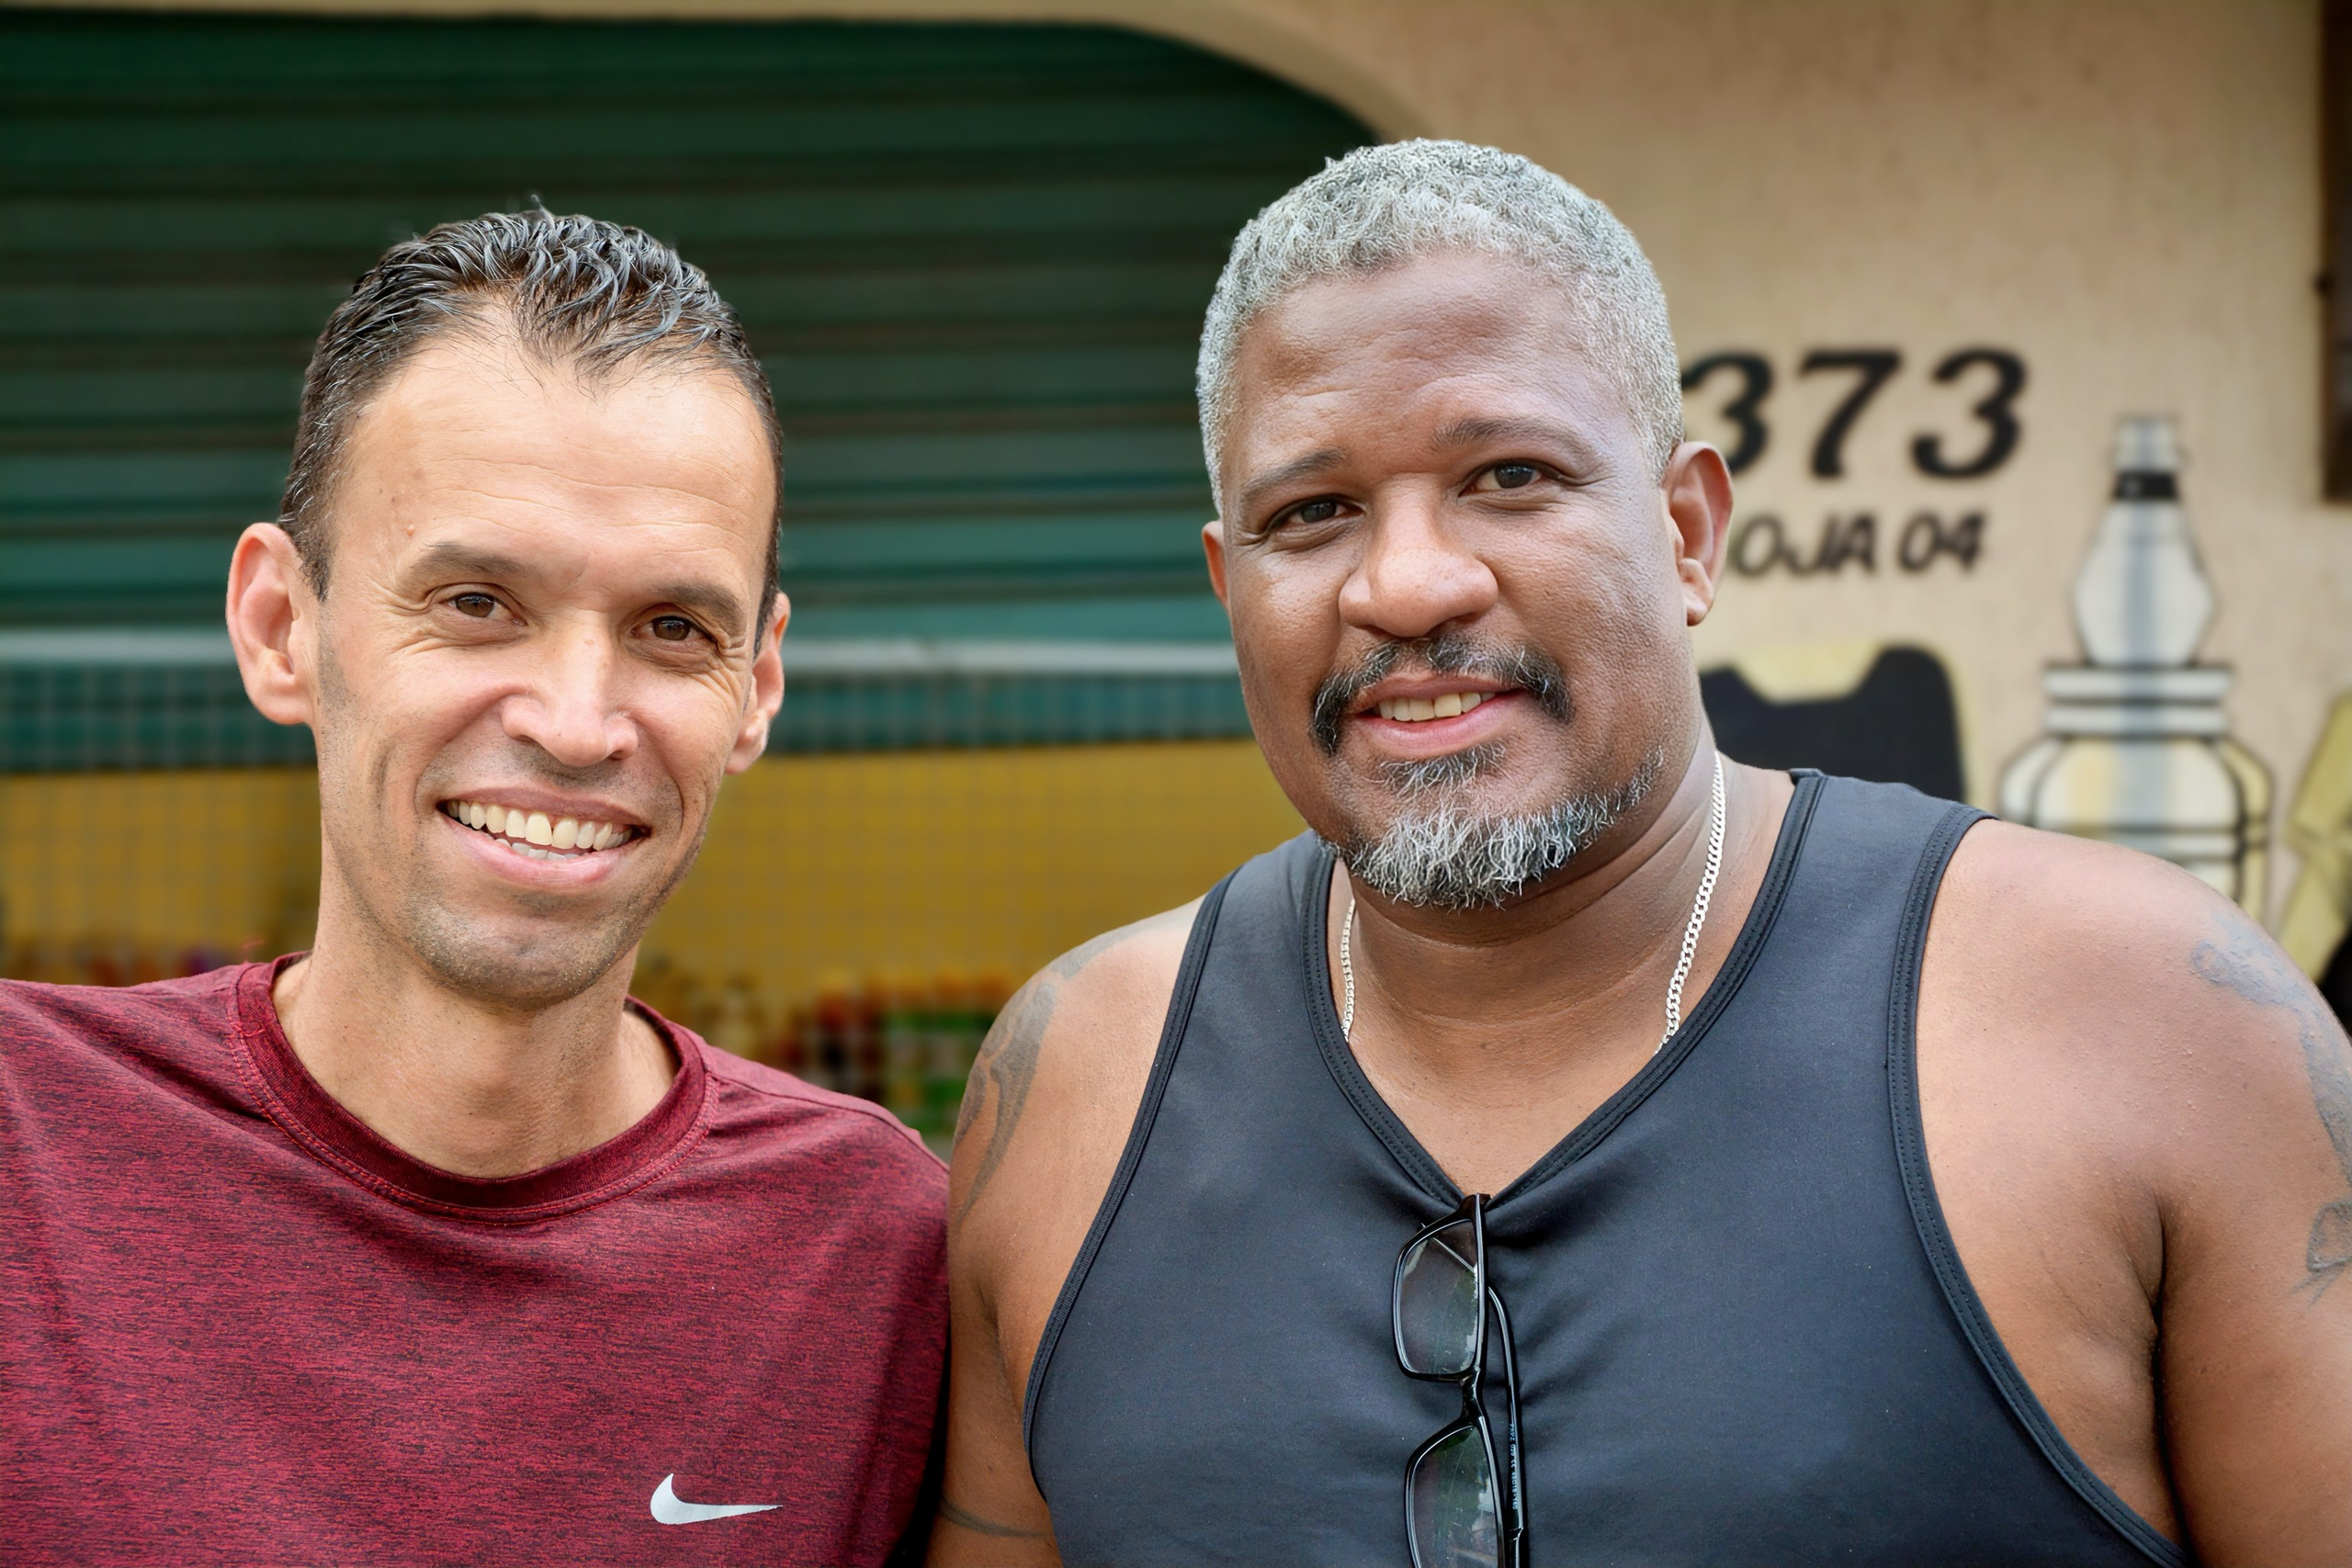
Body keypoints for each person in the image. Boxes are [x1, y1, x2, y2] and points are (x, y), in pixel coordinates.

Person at [933, 141, 2352, 1568]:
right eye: (1314, 513)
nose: (1409, 583)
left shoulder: (2148, 1021)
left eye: (1509, 475)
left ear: (1686, 533)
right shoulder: (1076, 1087)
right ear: (1230, 587)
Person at [0, 211, 945, 1565]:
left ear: (759, 686)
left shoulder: (876, 1256)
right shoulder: (24, 1151)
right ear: (281, 629)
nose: (575, 721)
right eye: (474, 602)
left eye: (672, 630)